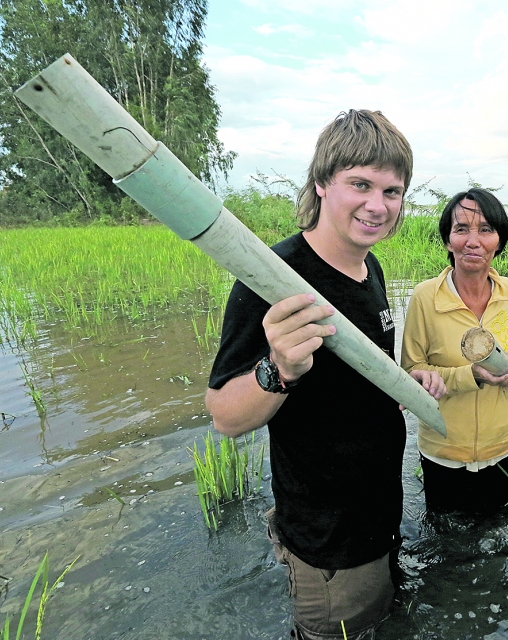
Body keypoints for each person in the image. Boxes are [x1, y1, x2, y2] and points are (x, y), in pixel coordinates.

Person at [205, 109, 445, 640]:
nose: (377, 206)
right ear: (321, 182)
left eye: (392, 191)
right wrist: (279, 367)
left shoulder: (369, 266)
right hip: (327, 537)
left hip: (377, 515)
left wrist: (408, 382)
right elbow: (223, 414)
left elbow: (359, 376)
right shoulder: (270, 278)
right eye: (360, 184)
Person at [401, 189, 508, 513]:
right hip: (443, 448)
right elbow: (411, 370)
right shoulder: (425, 297)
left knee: (498, 529)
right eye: (461, 229)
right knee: (445, 540)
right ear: (448, 240)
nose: (473, 241)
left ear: (499, 241)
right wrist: (470, 375)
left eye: (485, 229)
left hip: (504, 443)